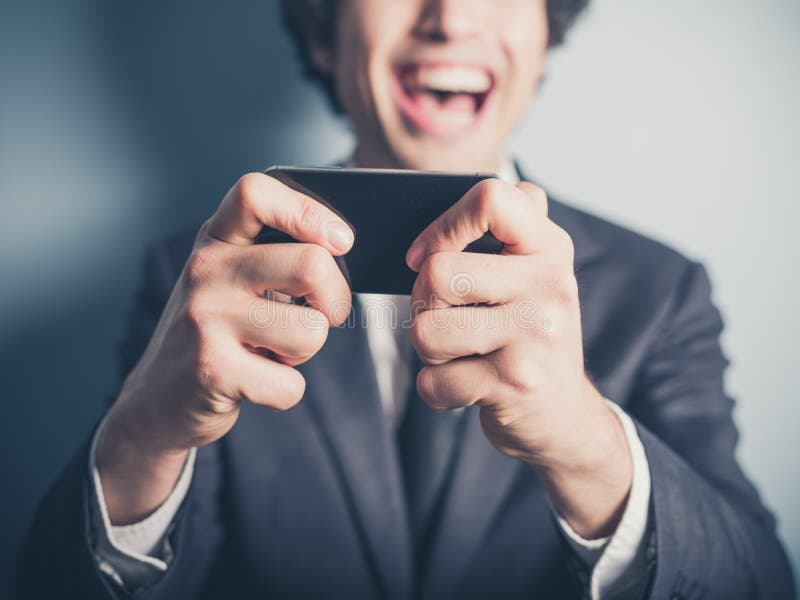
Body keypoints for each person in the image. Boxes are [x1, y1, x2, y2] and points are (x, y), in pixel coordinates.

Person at [17, 1, 795, 598]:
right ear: (324, 33)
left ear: (544, 36)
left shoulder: (662, 291)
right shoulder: (192, 278)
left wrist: (588, 446)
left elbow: (756, 580)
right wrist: (143, 437)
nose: (450, 18)